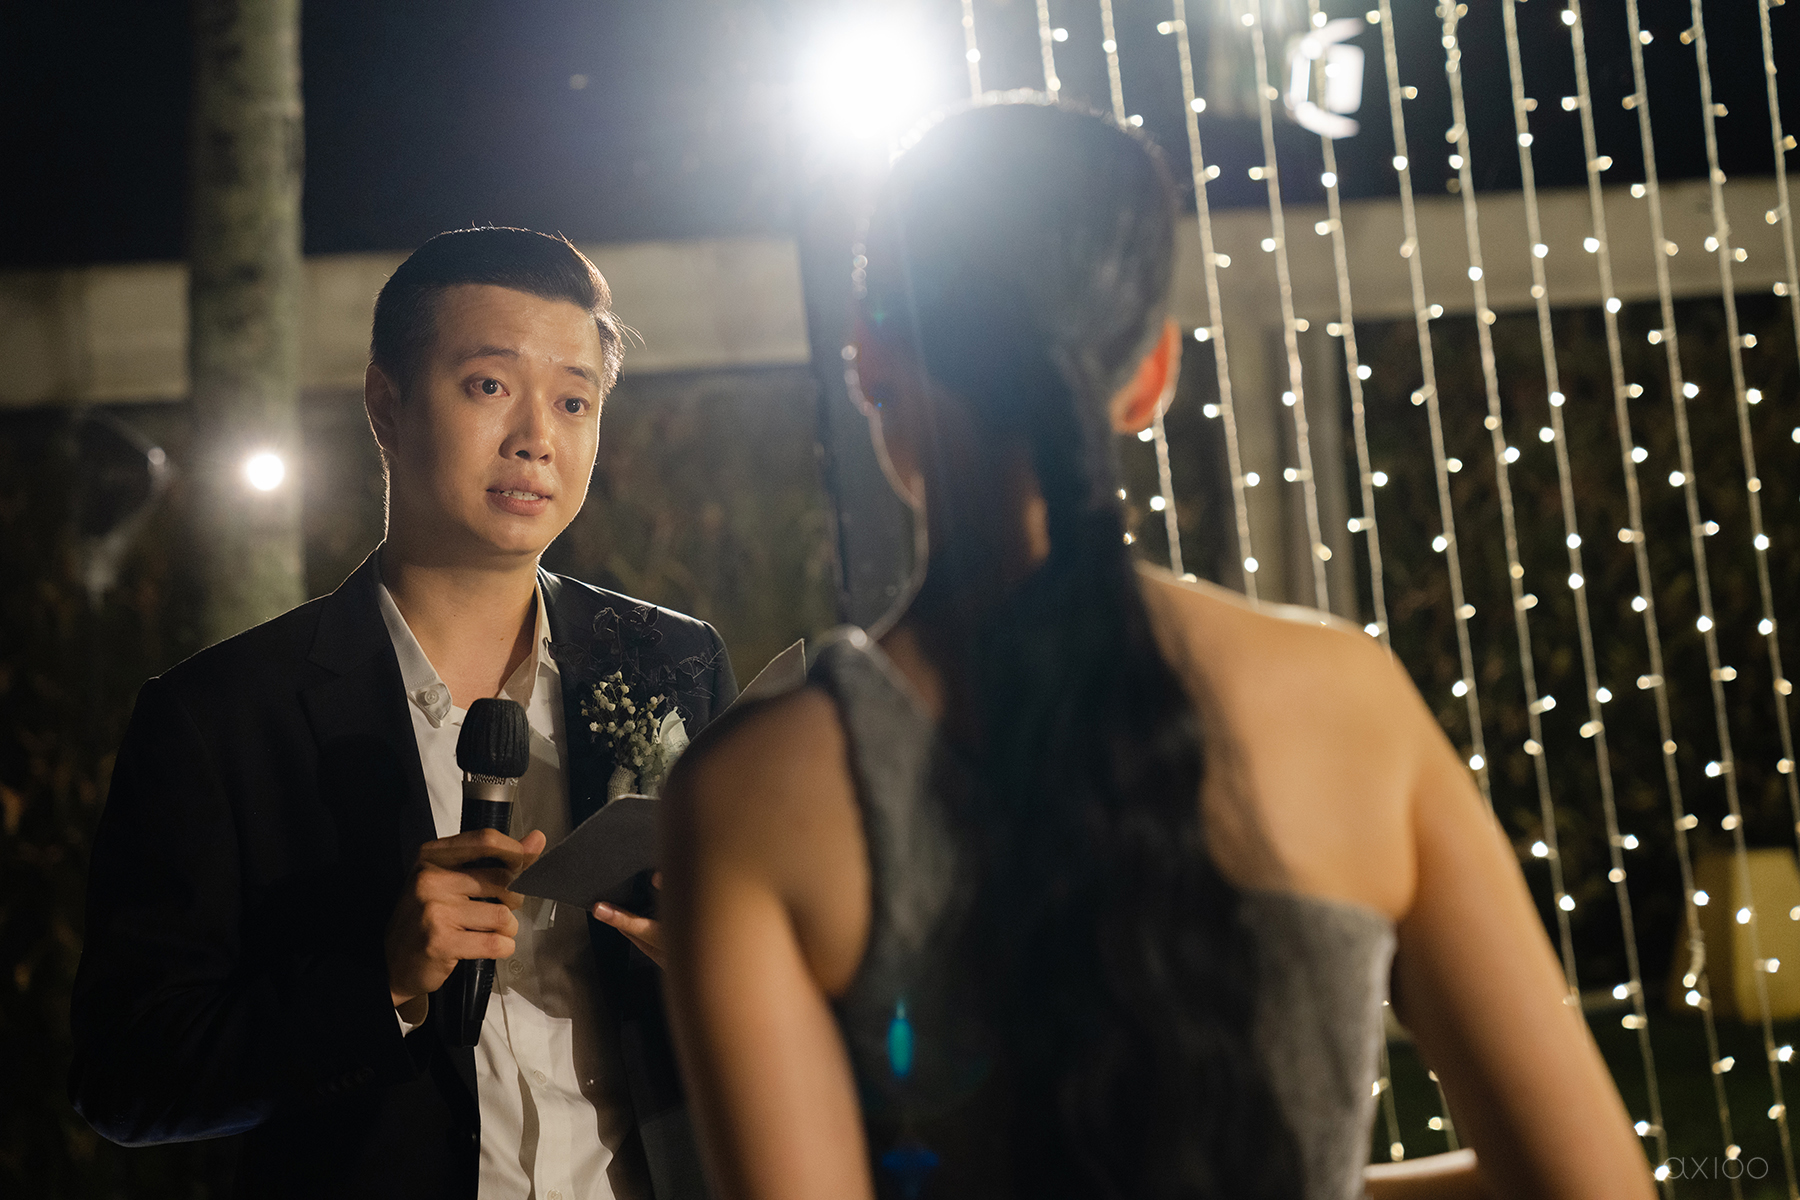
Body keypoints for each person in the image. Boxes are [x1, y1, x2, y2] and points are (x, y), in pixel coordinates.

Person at [657, 100, 1654, 1200]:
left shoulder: (753, 795)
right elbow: (1596, 1186)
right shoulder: (1349, 705)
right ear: (1152, 375)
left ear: (868, 354)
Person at [70, 227, 736, 1200]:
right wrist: (379, 980)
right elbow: (127, 1076)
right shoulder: (220, 719)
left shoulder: (674, 664)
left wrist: (723, 959)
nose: (536, 438)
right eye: (489, 385)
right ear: (386, 404)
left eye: (574, 401)